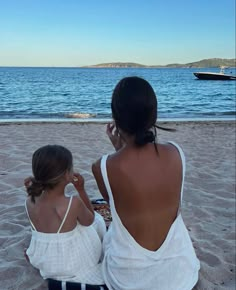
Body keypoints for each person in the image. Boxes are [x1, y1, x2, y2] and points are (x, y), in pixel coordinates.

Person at [92, 77, 200, 290]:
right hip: (181, 274)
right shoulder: (176, 153)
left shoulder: (103, 166)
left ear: (116, 117)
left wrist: (118, 150)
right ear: (153, 114)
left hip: (128, 279)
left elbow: (115, 202)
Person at [24, 145, 108, 290]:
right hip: (72, 264)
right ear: (66, 174)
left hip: (46, 261)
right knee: (98, 221)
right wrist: (81, 190)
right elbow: (90, 220)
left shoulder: (29, 200)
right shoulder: (72, 203)